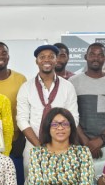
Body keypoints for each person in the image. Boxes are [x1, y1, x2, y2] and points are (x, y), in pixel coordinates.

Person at [16, 44, 79, 173]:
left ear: (56, 60)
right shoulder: (26, 87)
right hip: (34, 147)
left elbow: (73, 118)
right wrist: (40, 147)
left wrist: (57, 144)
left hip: (62, 147)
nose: (46, 60)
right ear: (37, 61)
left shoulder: (67, 87)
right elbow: (22, 120)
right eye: (42, 57)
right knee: (33, 184)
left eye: (51, 57)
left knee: (61, 182)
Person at [69, 42, 105, 176]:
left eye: (100, 55)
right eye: (92, 54)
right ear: (85, 57)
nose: (96, 58)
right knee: (81, 183)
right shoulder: (73, 82)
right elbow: (70, 115)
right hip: (80, 145)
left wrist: (101, 139)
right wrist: (85, 142)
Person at [0, 41, 28, 185]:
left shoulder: (20, 79)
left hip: (16, 140)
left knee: (17, 184)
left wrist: (21, 137)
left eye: (4, 53)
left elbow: (26, 110)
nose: (0, 56)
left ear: (8, 57)